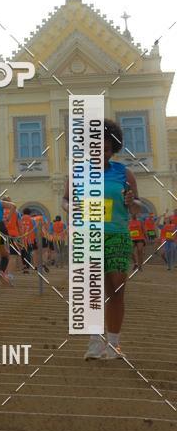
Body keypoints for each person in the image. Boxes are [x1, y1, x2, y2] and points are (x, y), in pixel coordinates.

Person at [63, 118, 142, 360]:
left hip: (117, 235)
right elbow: (65, 200)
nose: (100, 153)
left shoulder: (124, 173)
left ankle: (114, 343)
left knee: (117, 288)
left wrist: (131, 201)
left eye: (106, 148)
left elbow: (137, 207)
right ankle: (95, 342)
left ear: (113, 148)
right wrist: (71, 207)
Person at [20, 207, 35, 273]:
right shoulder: (32, 219)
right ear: (30, 213)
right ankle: (27, 267)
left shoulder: (20, 218)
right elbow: (35, 229)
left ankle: (24, 266)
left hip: (21, 239)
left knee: (23, 253)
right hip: (29, 239)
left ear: (23, 212)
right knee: (28, 253)